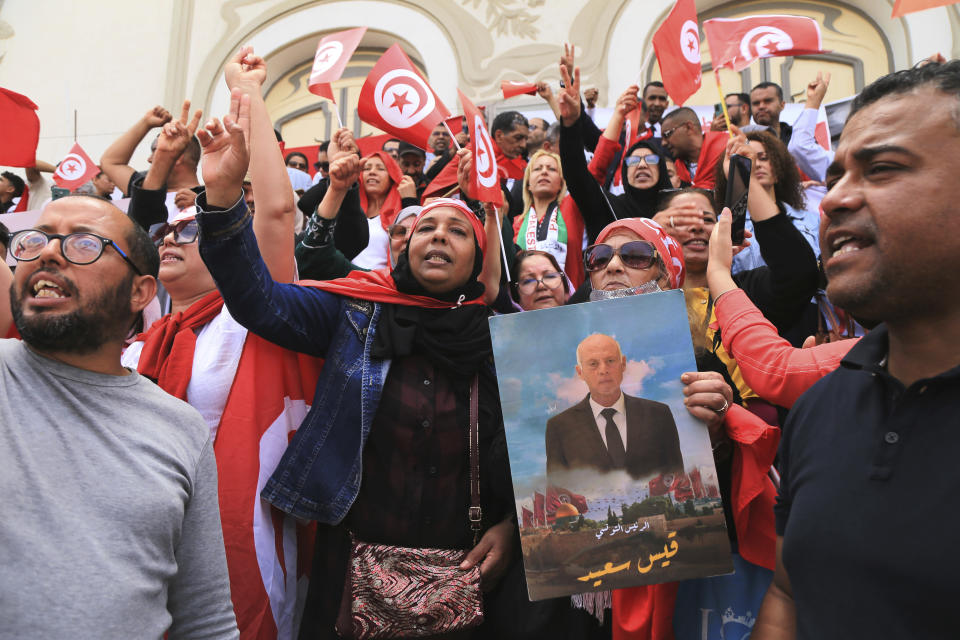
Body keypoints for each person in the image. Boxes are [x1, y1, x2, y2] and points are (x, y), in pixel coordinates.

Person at [195, 116, 517, 638]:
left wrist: (513, 528)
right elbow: (258, 301)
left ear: (479, 260)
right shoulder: (356, 312)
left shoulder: (507, 340)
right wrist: (224, 196)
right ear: (402, 250)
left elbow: (546, 454)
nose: (438, 237)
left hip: (467, 575)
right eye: (424, 229)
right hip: (348, 570)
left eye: (457, 231)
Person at [752, 59, 960, 640]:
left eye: (883, 168)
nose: (833, 200)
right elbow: (789, 595)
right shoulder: (821, 406)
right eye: (839, 173)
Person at [121, 49, 307, 638]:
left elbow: (275, 212)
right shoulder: (135, 344)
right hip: (139, 538)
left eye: (192, 228)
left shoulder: (249, 319)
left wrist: (246, 95)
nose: (173, 236)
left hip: (233, 545)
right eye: (166, 231)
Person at [0, 195, 238, 638]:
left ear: (140, 292)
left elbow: (206, 618)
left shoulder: (181, 429)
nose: (48, 252)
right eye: (34, 241)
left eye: (84, 243)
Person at [545, 333, 683, 480]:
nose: (603, 370)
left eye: (610, 360)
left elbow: (679, 479)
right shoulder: (559, 428)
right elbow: (558, 494)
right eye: (593, 364)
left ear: (623, 364)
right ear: (580, 372)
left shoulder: (659, 414)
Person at [715, 130, 820, 274]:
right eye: (747, 159)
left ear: (778, 171)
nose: (755, 165)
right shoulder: (723, 225)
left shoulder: (813, 221)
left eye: (763, 158)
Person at [512, 149, 588, 287]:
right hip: (528, 304)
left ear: (561, 183)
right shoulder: (517, 222)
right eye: (537, 169)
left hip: (570, 303)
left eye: (552, 169)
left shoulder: (572, 207)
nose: (544, 172)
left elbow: (596, 169)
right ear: (528, 183)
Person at [101, 101, 202, 197]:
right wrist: (146, 123)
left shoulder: (211, 199)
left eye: (156, 151)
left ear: (178, 156)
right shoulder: (143, 191)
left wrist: (199, 206)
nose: (149, 159)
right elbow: (110, 162)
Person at [659, 107, 728, 189]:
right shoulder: (675, 171)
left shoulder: (728, 149)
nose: (663, 143)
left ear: (688, 127)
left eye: (667, 134)